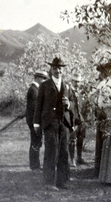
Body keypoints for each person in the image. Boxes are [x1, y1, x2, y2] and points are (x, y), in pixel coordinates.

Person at [33, 57, 75, 191]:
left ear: (63, 70)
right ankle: (49, 183)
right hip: (50, 123)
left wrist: (68, 104)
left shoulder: (67, 86)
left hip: (64, 123)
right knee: (51, 151)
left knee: (64, 152)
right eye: (55, 68)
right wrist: (36, 123)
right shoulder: (45, 86)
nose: (58, 71)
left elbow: (74, 104)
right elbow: (38, 105)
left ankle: (62, 181)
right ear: (51, 70)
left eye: (60, 68)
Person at [25, 70, 49, 171]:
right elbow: (35, 108)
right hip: (34, 122)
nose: (44, 81)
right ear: (38, 78)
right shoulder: (34, 90)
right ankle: (34, 166)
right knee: (35, 143)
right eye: (43, 79)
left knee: (36, 142)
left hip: (34, 121)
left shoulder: (35, 89)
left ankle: (35, 165)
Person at [68, 70, 87, 167]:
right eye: (75, 81)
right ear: (71, 81)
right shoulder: (68, 91)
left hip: (81, 119)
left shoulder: (81, 93)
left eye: (79, 81)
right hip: (72, 119)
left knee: (81, 138)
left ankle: (79, 157)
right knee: (72, 140)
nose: (77, 83)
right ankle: (72, 159)